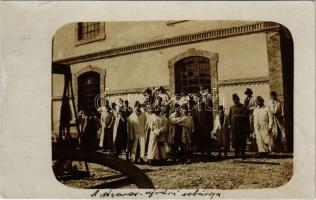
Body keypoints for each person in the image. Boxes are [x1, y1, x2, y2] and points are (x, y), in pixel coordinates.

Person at [192, 93, 213, 161]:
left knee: (207, 142)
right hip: (199, 128)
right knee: (201, 142)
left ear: (200, 98)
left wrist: (211, 127)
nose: (196, 99)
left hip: (206, 127)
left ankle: (209, 156)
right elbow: (193, 119)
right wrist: (194, 128)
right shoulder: (194, 108)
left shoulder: (206, 106)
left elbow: (210, 117)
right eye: (195, 98)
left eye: (197, 98)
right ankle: (202, 156)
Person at [228, 93, 248, 158]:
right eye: (234, 100)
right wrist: (229, 124)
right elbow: (229, 116)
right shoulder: (231, 107)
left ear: (238, 100)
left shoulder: (243, 106)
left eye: (236, 100)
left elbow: (245, 116)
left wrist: (238, 116)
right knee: (235, 140)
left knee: (242, 140)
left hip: (241, 127)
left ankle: (243, 154)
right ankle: (236, 153)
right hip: (234, 127)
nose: (235, 101)